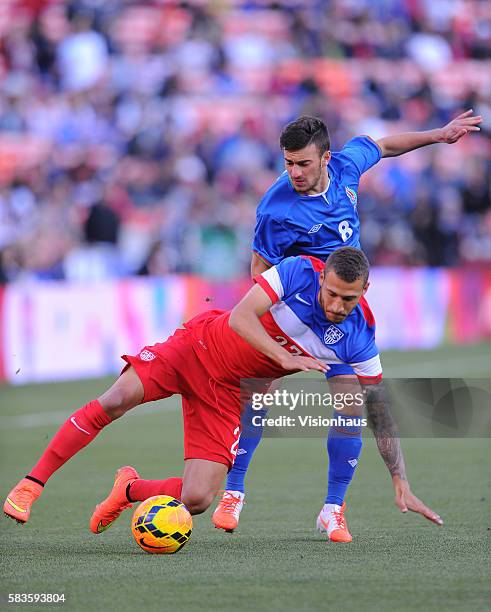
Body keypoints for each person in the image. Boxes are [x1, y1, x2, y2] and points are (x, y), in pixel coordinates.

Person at [4, 248, 438, 542]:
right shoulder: (297, 272)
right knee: (117, 398)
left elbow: (379, 412)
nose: (338, 306)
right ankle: (31, 485)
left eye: (349, 298)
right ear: (322, 277)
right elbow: (241, 318)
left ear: (364, 293)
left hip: (226, 393)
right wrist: (281, 359)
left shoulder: (358, 335)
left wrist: (401, 480)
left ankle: (130, 490)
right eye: (332, 294)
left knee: (195, 500)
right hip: (196, 347)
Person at [212, 112, 480, 534]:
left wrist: (439, 135)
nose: (294, 172)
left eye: (303, 163)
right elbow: (259, 267)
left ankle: (332, 509)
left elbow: (386, 145)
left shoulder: (347, 166)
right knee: (260, 394)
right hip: (298, 305)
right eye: (288, 163)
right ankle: (234, 493)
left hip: (342, 307)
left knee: (352, 405)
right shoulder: (276, 209)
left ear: (326, 158)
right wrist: (274, 333)